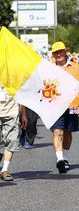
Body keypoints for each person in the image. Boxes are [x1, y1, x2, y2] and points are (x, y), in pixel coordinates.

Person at [0, 60, 28, 181]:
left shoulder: (16, 66)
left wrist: (23, 114)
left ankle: (5, 170)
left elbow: (21, 93)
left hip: (12, 111)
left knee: (12, 140)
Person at [50, 41, 79, 173]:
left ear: (65, 51)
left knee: (68, 132)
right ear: (53, 55)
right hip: (56, 106)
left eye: (60, 51)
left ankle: (65, 158)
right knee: (58, 131)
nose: (58, 54)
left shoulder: (75, 67)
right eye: (56, 52)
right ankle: (60, 160)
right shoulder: (49, 69)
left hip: (73, 105)